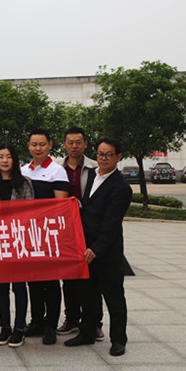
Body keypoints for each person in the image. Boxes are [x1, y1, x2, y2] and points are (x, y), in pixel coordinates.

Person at [64, 137, 131, 357]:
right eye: (101, 154)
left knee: (114, 297)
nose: (103, 159)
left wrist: (97, 249)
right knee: (88, 294)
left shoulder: (121, 187)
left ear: (118, 157)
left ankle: (118, 340)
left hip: (106, 252)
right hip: (86, 248)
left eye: (109, 155)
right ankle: (87, 333)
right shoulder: (92, 175)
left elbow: (112, 224)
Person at [53, 126, 104, 341]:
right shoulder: (56, 167)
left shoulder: (95, 167)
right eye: (70, 142)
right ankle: (72, 318)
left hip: (88, 228)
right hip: (64, 229)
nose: (74, 146)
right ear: (64, 145)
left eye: (78, 142)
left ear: (85, 144)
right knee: (69, 277)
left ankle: (95, 323)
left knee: (92, 277)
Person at [20, 128, 69, 346]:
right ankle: (37, 321)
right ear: (28, 146)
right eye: (34, 144)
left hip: (48, 234)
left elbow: (60, 205)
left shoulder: (57, 171)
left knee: (51, 281)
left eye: (42, 144)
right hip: (28, 235)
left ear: (50, 145)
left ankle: (50, 324)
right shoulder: (23, 170)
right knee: (33, 281)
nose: (37, 148)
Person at [0, 142, 34, 348]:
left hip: (19, 240)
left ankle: (19, 328)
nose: (4, 160)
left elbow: (30, 212)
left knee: (19, 286)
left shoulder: (24, 183)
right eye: (0, 157)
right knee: (1, 287)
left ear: (14, 159)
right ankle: (5, 327)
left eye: (8, 156)